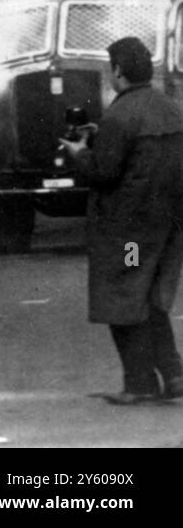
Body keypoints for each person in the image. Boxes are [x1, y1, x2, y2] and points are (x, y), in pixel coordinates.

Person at [59, 36, 183, 405]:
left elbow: (104, 173)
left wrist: (80, 153)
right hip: (169, 225)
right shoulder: (173, 109)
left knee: (122, 298)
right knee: (149, 299)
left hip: (129, 232)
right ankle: (175, 374)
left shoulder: (119, 114)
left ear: (118, 71)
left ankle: (139, 383)